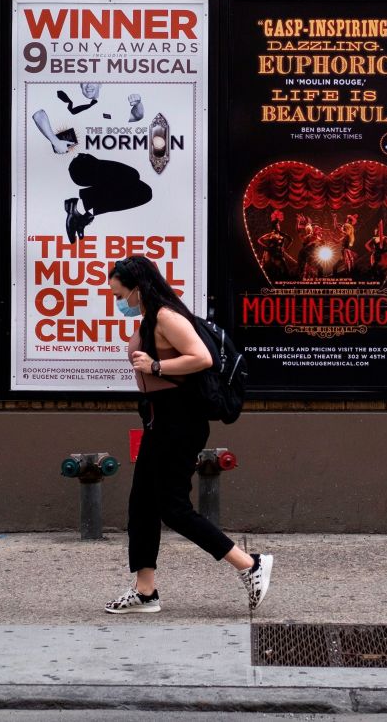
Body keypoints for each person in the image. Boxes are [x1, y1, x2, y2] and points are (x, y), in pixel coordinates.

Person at [104, 255, 272, 615]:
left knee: (174, 507)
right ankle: (145, 592)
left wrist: (156, 365)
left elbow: (201, 357)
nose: (117, 301)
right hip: (159, 419)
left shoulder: (167, 317)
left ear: (137, 288)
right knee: (142, 505)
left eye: (119, 294)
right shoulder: (150, 318)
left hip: (180, 421)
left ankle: (249, 565)